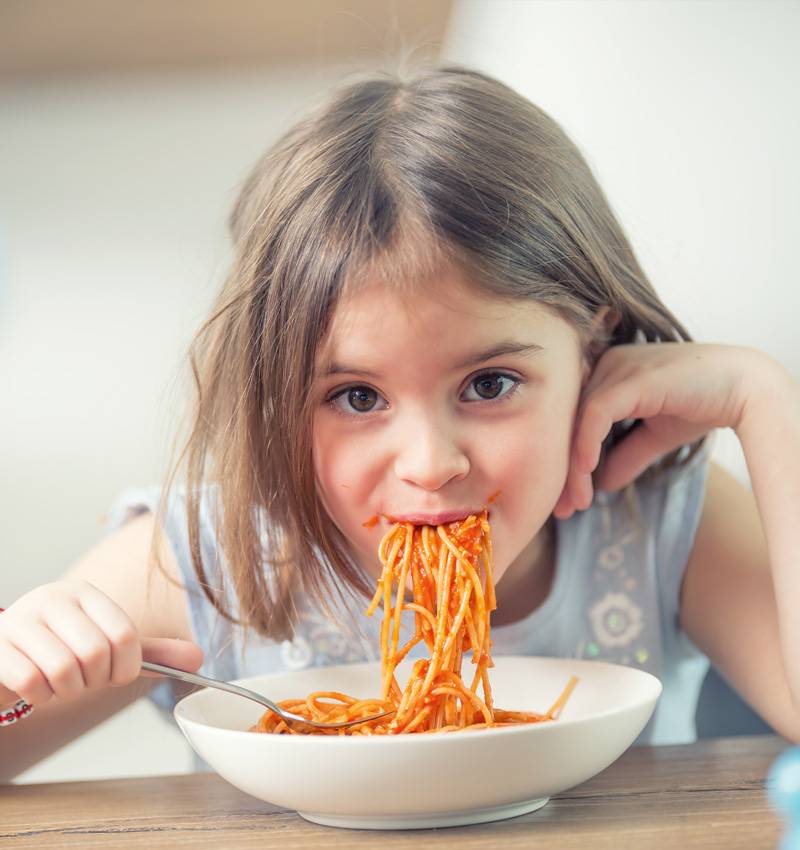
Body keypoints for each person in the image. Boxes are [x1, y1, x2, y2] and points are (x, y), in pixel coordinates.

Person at [2, 64, 798, 780]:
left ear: (592, 344)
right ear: (274, 391)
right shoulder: (210, 555)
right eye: (356, 397)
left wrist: (766, 400)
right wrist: (20, 663)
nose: (429, 463)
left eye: (489, 383)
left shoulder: (656, 517)